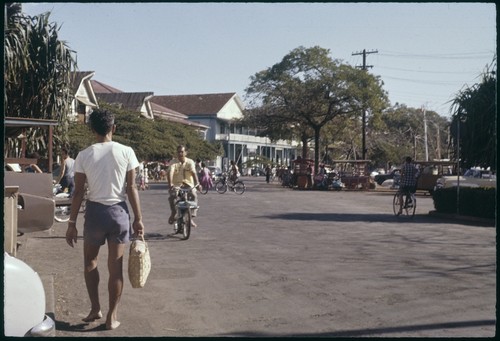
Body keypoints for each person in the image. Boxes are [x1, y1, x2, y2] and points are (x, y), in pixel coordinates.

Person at [65, 108, 145, 331]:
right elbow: (131, 188)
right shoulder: (127, 152)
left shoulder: (84, 155)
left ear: (92, 130)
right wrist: (138, 218)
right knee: (115, 269)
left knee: (90, 262)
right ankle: (112, 316)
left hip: (95, 214)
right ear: (114, 128)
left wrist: (71, 224)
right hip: (118, 214)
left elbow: (78, 192)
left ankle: (94, 308)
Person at [167, 145, 202, 228]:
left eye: (182, 152)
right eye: (178, 152)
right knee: (173, 196)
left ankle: (191, 217)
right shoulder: (173, 162)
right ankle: (173, 213)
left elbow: (194, 173)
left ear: (185, 153)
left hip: (188, 184)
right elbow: (170, 173)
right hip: (177, 185)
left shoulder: (190, 162)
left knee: (194, 195)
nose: (180, 154)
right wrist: (170, 184)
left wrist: (197, 184)